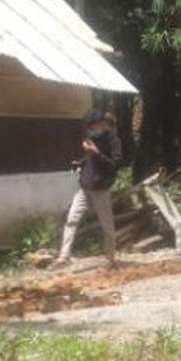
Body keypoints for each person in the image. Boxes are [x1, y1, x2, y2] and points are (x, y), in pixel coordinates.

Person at [56, 109, 123, 267]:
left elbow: (115, 165)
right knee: (72, 219)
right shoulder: (92, 138)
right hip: (85, 187)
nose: (91, 129)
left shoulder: (113, 141)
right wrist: (80, 163)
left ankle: (111, 260)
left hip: (101, 188)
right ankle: (63, 257)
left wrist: (97, 153)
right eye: (89, 127)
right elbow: (89, 159)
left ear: (102, 124)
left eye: (93, 126)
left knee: (106, 226)